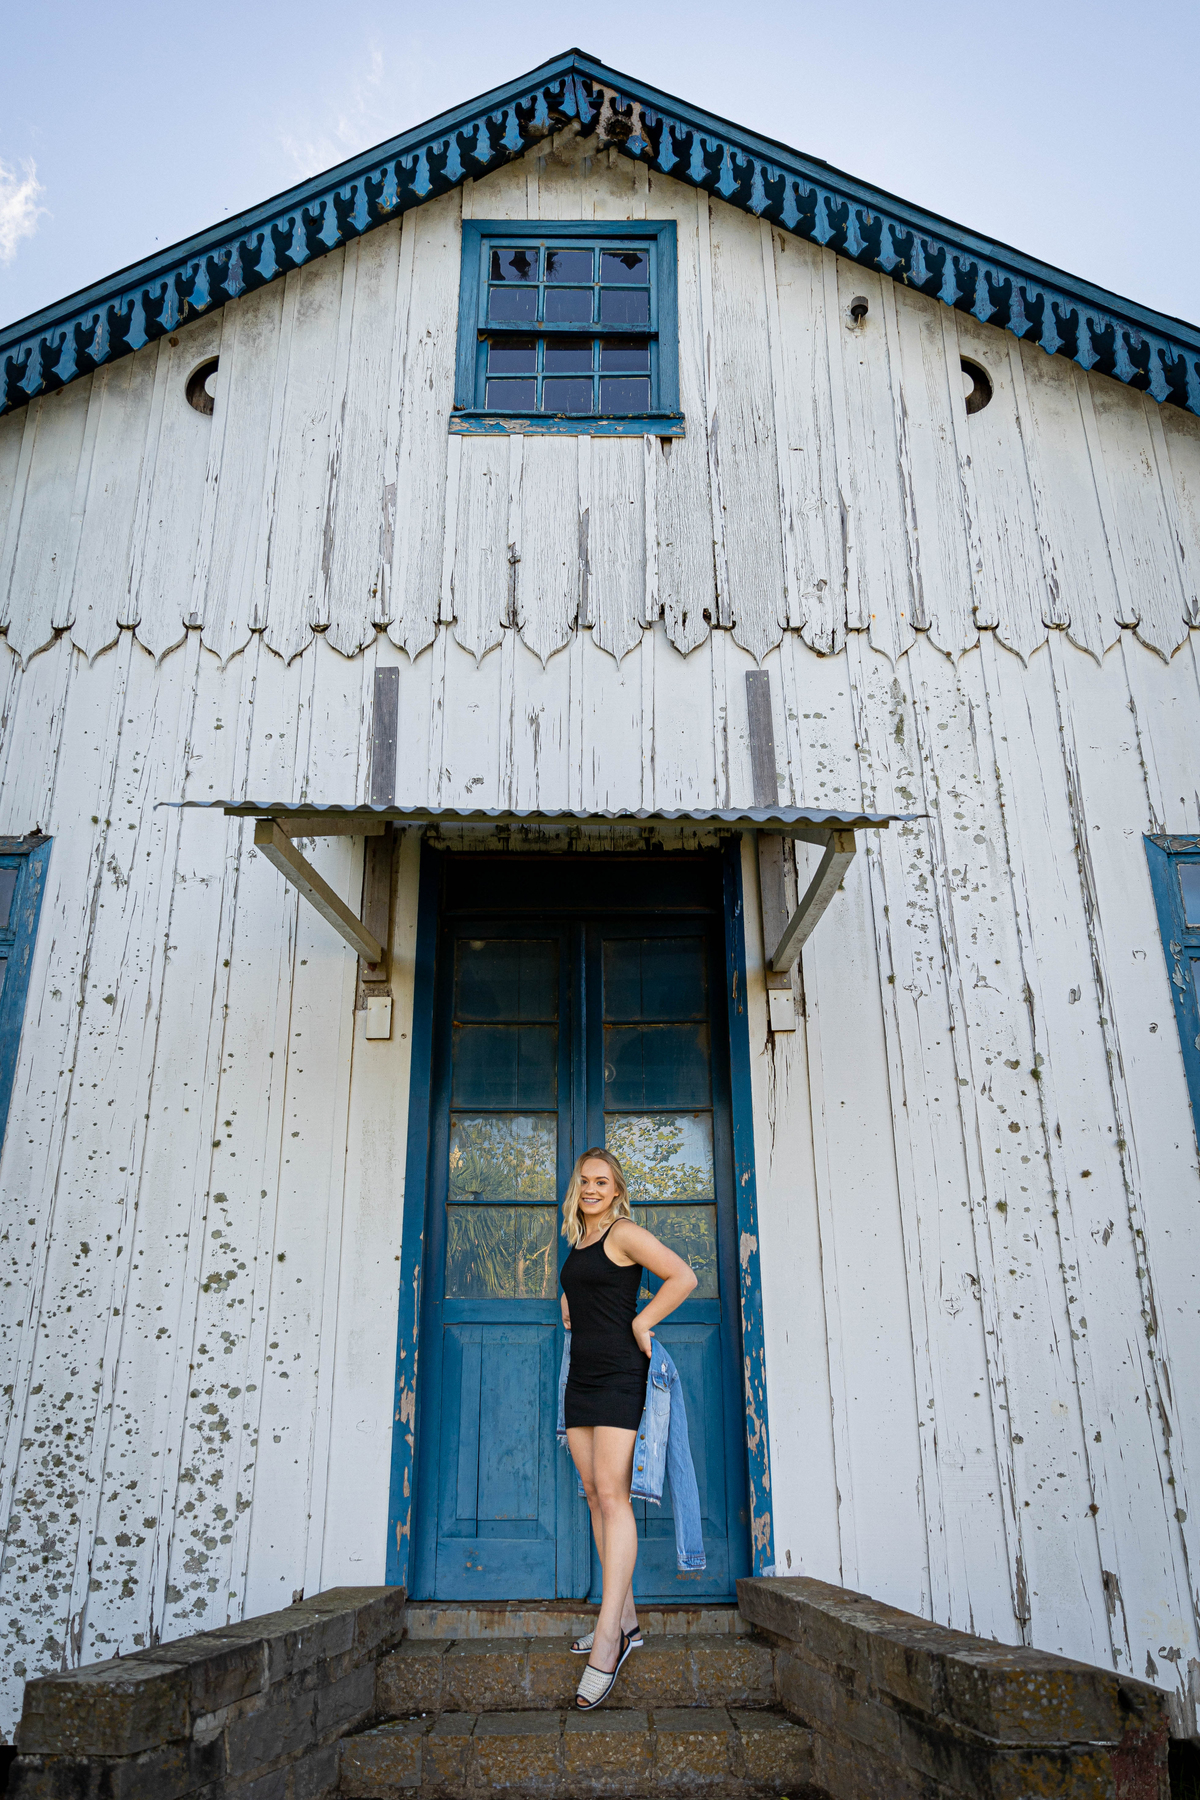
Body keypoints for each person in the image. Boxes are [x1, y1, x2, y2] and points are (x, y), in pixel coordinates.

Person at [559, 1147, 698, 1710]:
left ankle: (609, 1641)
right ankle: (628, 1619)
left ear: (616, 1190)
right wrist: (571, 1307)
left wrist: (643, 1319)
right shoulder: (580, 1239)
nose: (591, 1188)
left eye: (602, 1181)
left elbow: (683, 1276)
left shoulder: (622, 1232)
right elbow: (589, 1296)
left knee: (614, 1497)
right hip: (581, 1378)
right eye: (584, 1181)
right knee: (595, 1496)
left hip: (621, 1375)